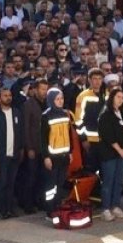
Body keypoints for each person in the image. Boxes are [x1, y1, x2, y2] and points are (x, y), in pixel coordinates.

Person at [0, 88, 25, 220]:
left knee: (11, 183)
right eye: (5, 95)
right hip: (1, 156)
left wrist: (21, 149)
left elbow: (20, 132)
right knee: (2, 184)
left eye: (10, 95)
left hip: (14, 154)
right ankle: (1, 210)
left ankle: (9, 208)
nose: (8, 98)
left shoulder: (17, 112)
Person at [96, 87, 123, 222]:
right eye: (118, 97)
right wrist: (119, 149)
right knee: (108, 181)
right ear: (112, 98)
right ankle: (105, 208)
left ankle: (115, 205)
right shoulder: (106, 114)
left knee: (119, 180)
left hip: (121, 154)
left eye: (122, 97)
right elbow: (108, 134)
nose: (120, 100)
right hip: (109, 153)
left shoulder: (121, 113)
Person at [39, 88, 74, 216]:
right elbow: (43, 138)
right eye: (57, 99)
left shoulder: (65, 114)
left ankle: (58, 206)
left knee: (60, 183)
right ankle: (49, 210)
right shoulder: (46, 116)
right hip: (52, 157)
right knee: (51, 185)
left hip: (64, 156)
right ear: (51, 100)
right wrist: (46, 157)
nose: (60, 101)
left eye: (62, 98)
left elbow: (69, 134)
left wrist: (70, 152)